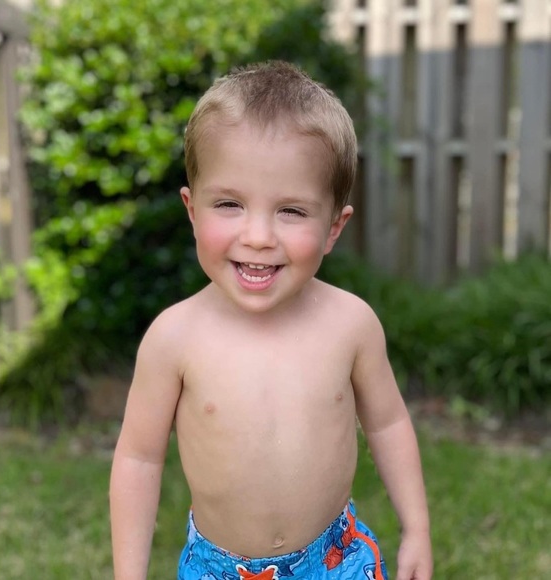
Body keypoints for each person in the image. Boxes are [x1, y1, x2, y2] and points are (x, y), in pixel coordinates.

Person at [110, 60, 432, 580]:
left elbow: (388, 423)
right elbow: (138, 460)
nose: (258, 236)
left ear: (333, 227)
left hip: (336, 558)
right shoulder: (174, 339)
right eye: (229, 204)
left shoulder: (350, 324)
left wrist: (416, 527)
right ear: (192, 210)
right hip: (219, 568)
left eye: (292, 211)